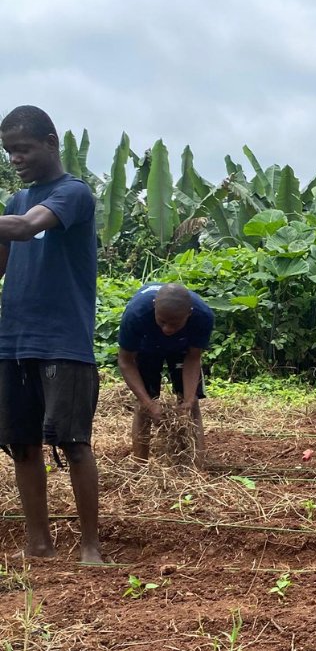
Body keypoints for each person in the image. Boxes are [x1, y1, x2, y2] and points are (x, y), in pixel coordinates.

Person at [0, 106, 101, 563]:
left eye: (22, 149)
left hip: (62, 340)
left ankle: (90, 546)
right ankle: (38, 544)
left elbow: (24, 231)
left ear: (51, 142)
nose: (14, 159)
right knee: (22, 444)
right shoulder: (14, 201)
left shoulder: (72, 193)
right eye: (8, 152)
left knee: (73, 443)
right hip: (13, 341)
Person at [117, 282, 214, 468]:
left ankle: (197, 468)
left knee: (191, 405)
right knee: (143, 407)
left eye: (175, 324)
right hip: (147, 347)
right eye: (162, 321)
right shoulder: (136, 315)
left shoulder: (203, 316)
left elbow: (193, 358)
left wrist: (187, 401)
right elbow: (125, 361)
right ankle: (140, 467)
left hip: (182, 347)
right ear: (154, 306)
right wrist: (148, 403)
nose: (167, 329)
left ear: (189, 313)